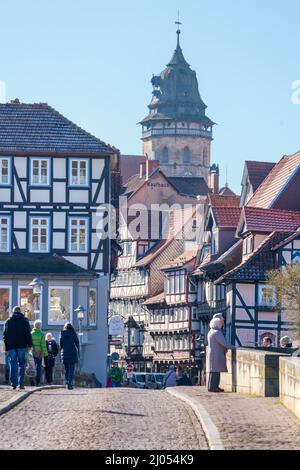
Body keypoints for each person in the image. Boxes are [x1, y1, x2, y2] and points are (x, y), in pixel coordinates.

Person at [3, 305, 33, 390]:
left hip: (11, 346)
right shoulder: (24, 321)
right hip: (22, 346)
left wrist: (6, 346)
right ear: (20, 311)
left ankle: (13, 384)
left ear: (13, 311)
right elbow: (28, 333)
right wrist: (30, 344)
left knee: (12, 363)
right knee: (22, 364)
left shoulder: (8, 321)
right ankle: (21, 383)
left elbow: (5, 335)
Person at [207, 317, 236, 393]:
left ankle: (211, 387)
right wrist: (234, 347)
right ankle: (214, 387)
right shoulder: (217, 332)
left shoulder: (210, 331)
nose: (221, 325)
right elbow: (224, 343)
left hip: (213, 353)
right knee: (216, 371)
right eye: (220, 323)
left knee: (213, 371)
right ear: (217, 324)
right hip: (217, 354)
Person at [59, 323, 80, 390]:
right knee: (71, 369)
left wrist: (61, 351)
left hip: (64, 353)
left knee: (66, 369)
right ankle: (69, 383)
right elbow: (77, 342)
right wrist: (78, 350)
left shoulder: (62, 333)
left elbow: (60, 344)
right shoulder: (73, 333)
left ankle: (67, 382)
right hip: (72, 353)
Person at [31, 320, 48, 386]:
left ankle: (31, 380)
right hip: (39, 353)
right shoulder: (42, 334)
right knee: (38, 367)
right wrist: (46, 354)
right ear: (40, 326)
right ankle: (37, 381)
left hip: (31, 352)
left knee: (31, 366)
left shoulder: (31, 333)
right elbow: (43, 345)